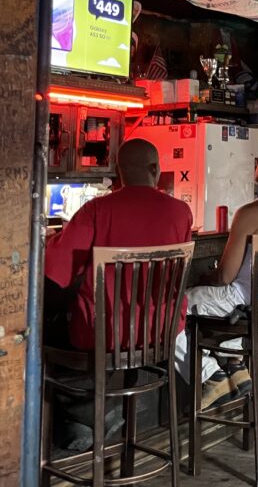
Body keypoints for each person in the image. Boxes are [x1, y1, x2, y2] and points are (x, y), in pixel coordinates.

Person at [175, 142, 258, 409]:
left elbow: (225, 277)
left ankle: (211, 376)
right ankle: (234, 364)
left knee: (170, 310)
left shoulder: (251, 212)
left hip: (248, 306)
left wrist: (204, 278)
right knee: (209, 306)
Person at [45, 138, 193, 350]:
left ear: (117, 170)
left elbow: (56, 267)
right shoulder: (180, 212)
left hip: (103, 335)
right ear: (155, 169)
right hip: (163, 329)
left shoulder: (95, 210)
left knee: (44, 324)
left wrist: (51, 240)